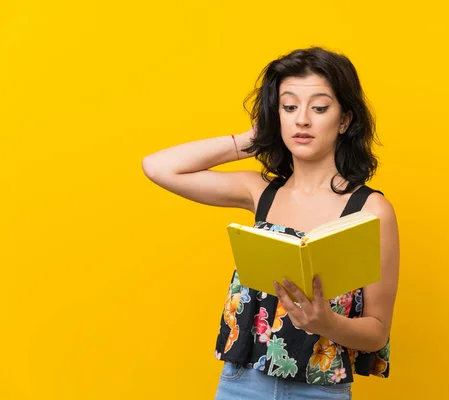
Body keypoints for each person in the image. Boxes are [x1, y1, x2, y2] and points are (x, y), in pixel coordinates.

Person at [141, 46, 400, 399]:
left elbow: (377, 331)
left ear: (345, 120)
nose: (302, 120)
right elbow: (158, 167)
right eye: (289, 107)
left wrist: (327, 324)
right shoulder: (259, 192)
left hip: (320, 392)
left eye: (319, 108)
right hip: (241, 384)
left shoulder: (370, 210)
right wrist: (254, 139)